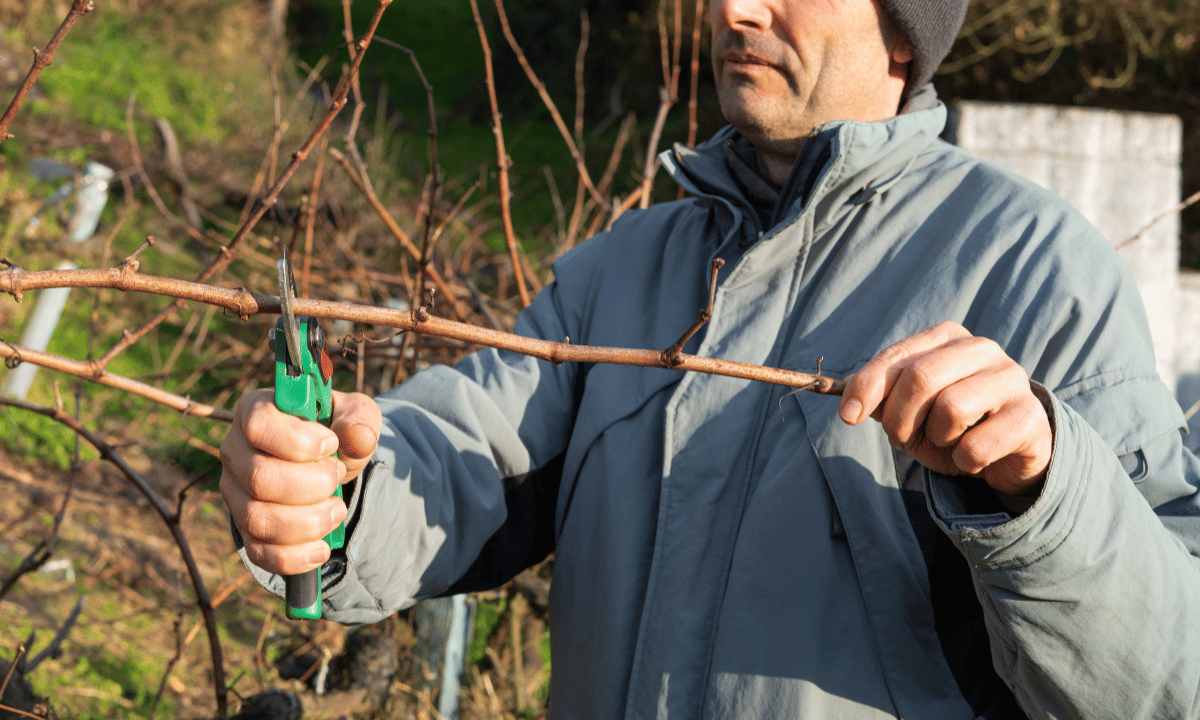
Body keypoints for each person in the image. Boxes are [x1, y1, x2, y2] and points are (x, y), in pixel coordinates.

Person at [220, 0, 1200, 717]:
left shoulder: (1030, 265)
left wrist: (1043, 493)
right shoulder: (622, 268)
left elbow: (1171, 679)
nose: (735, 11)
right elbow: (460, 452)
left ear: (904, 30)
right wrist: (335, 491)